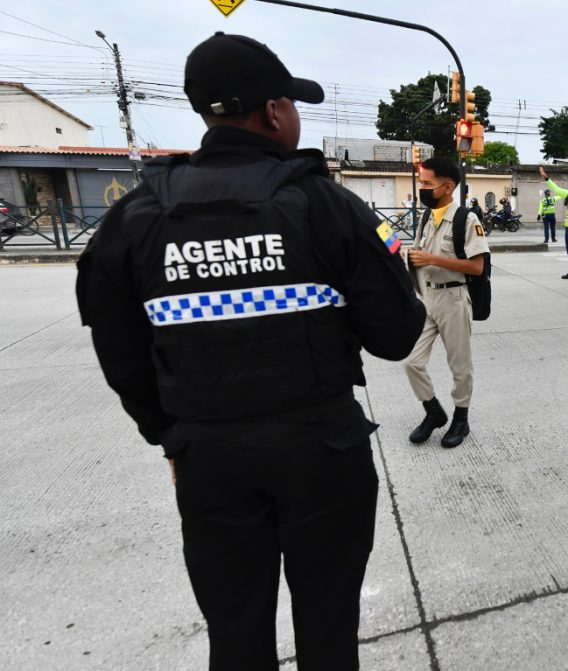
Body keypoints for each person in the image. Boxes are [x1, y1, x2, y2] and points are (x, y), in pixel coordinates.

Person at [75, 32, 426, 671]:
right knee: (328, 623)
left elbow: (119, 352)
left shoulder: (137, 216)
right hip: (322, 451)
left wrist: (171, 435)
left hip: (209, 458)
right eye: (292, 104)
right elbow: (397, 335)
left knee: (235, 631)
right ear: (272, 111)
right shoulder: (326, 204)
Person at [404, 157, 490, 448]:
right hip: (428, 299)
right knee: (412, 362)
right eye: (422, 183)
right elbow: (417, 254)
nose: (423, 188)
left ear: (448, 187)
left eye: (428, 183)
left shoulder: (467, 219)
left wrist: (433, 259)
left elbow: (477, 267)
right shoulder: (426, 217)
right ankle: (433, 411)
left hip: (454, 299)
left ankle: (461, 419)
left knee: (460, 366)